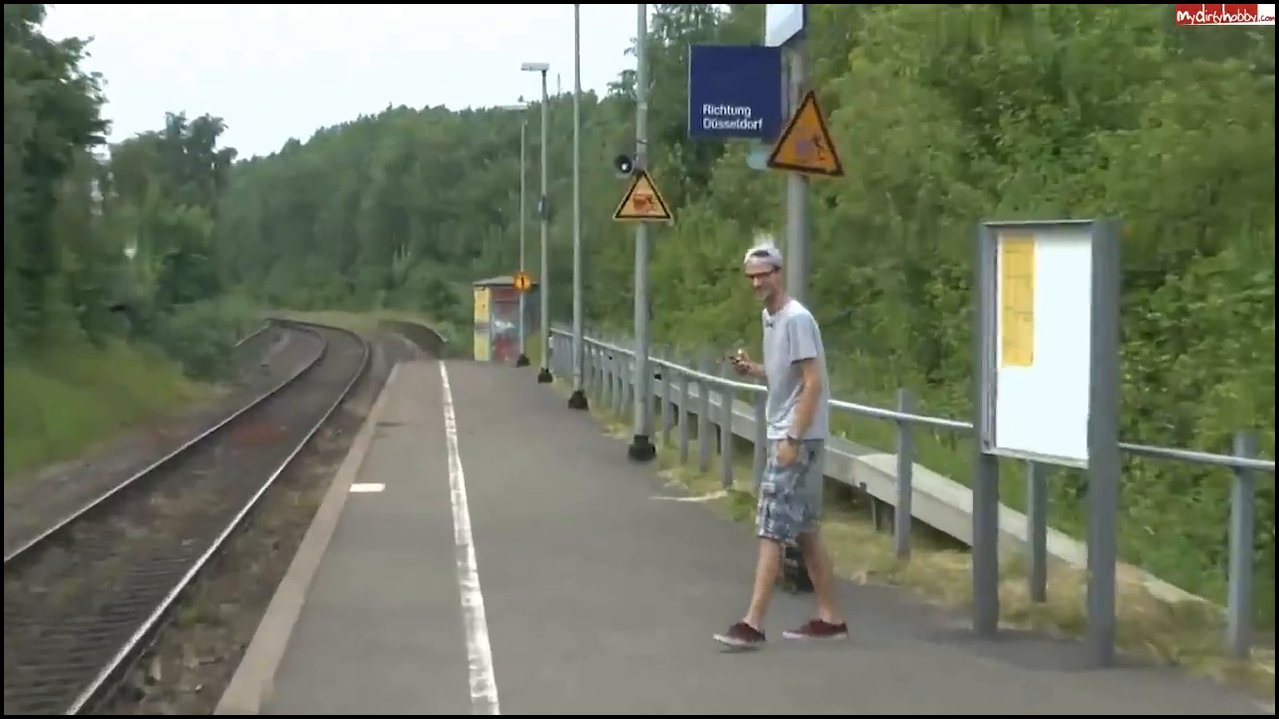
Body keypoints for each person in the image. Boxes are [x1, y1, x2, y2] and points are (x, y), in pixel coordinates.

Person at [713, 236, 847, 649]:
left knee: (770, 527)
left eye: (763, 275)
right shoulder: (771, 319)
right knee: (805, 530)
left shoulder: (796, 319)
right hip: (790, 431)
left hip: (795, 436)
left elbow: (813, 382)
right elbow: (785, 375)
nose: (757, 283)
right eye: (751, 277)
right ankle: (831, 618)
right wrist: (753, 369)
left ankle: (753, 623)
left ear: (778, 273)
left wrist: (792, 438)